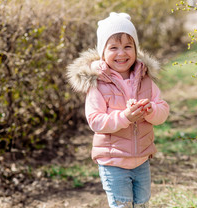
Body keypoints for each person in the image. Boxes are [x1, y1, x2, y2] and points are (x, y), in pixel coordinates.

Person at [67, 12, 169, 208]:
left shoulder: (145, 79)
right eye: (113, 47)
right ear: (102, 52)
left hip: (142, 159)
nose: (121, 53)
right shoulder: (98, 85)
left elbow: (162, 110)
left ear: (136, 49)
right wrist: (125, 117)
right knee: (122, 204)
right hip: (113, 161)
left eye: (128, 47)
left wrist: (150, 110)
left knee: (142, 203)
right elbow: (96, 121)